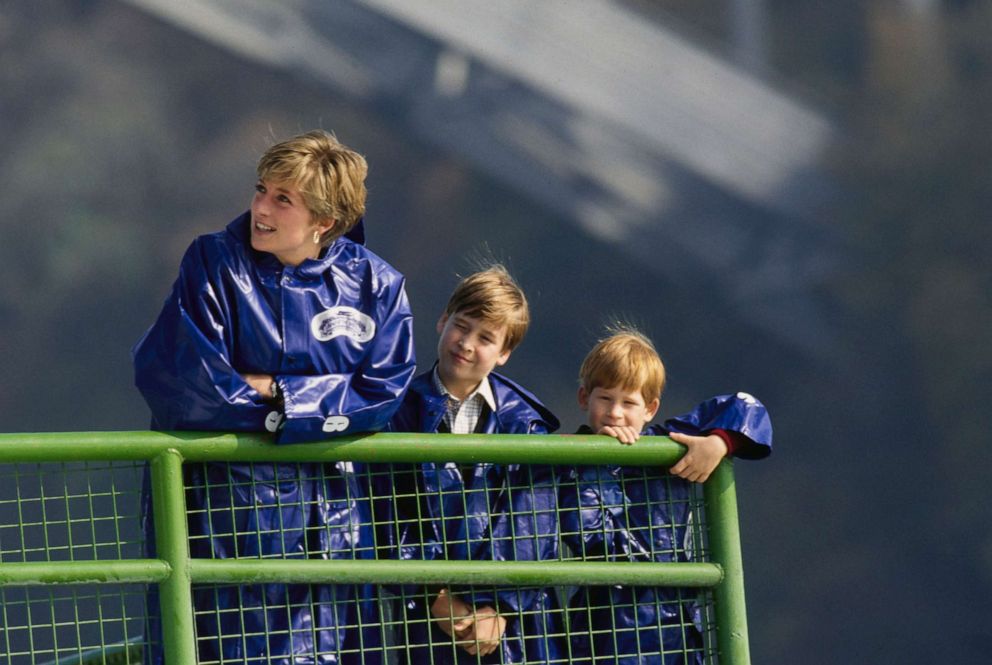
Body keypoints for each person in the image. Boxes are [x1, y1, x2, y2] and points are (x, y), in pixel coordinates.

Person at [132, 130, 416, 665]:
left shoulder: (379, 286)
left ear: (324, 222)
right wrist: (319, 408)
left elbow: (383, 394)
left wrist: (283, 392)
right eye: (261, 189)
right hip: (222, 515)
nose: (260, 207)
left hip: (335, 524)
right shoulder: (212, 262)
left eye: (282, 199)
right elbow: (183, 382)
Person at [375, 265, 565, 665]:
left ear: (504, 354)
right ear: (442, 321)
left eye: (486, 338)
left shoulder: (525, 424)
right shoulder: (393, 412)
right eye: (462, 326)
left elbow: (535, 522)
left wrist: (500, 608)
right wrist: (436, 597)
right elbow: (384, 512)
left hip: (509, 629)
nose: (466, 344)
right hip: (421, 615)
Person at [559, 328, 772, 665]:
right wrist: (597, 463)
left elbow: (747, 407)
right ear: (584, 398)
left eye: (629, 402)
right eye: (605, 398)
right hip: (603, 633)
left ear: (650, 408)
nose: (615, 413)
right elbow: (586, 533)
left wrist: (719, 443)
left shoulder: (670, 444)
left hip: (677, 629)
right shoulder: (568, 460)